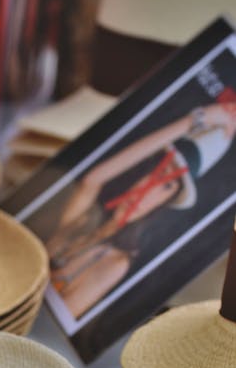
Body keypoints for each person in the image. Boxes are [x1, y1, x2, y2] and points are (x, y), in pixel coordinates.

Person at [44, 101, 236, 318]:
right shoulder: (85, 220)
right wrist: (195, 119)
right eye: (156, 171)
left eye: (167, 185)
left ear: (168, 200)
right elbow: (93, 178)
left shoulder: (115, 263)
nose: (147, 190)